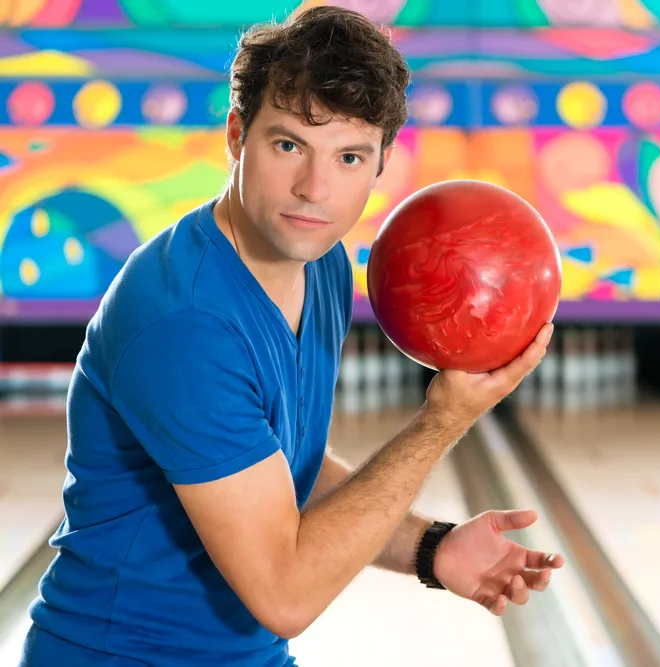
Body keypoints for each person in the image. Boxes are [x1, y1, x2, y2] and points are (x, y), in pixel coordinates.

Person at [18, 6, 561, 666]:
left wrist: (429, 545)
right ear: (236, 136)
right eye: (288, 145)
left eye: (349, 156)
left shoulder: (320, 263)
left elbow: (280, 473)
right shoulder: (183, 322)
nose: (314, 189)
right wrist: (441, 421)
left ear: (381, 164)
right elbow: (284, 592)